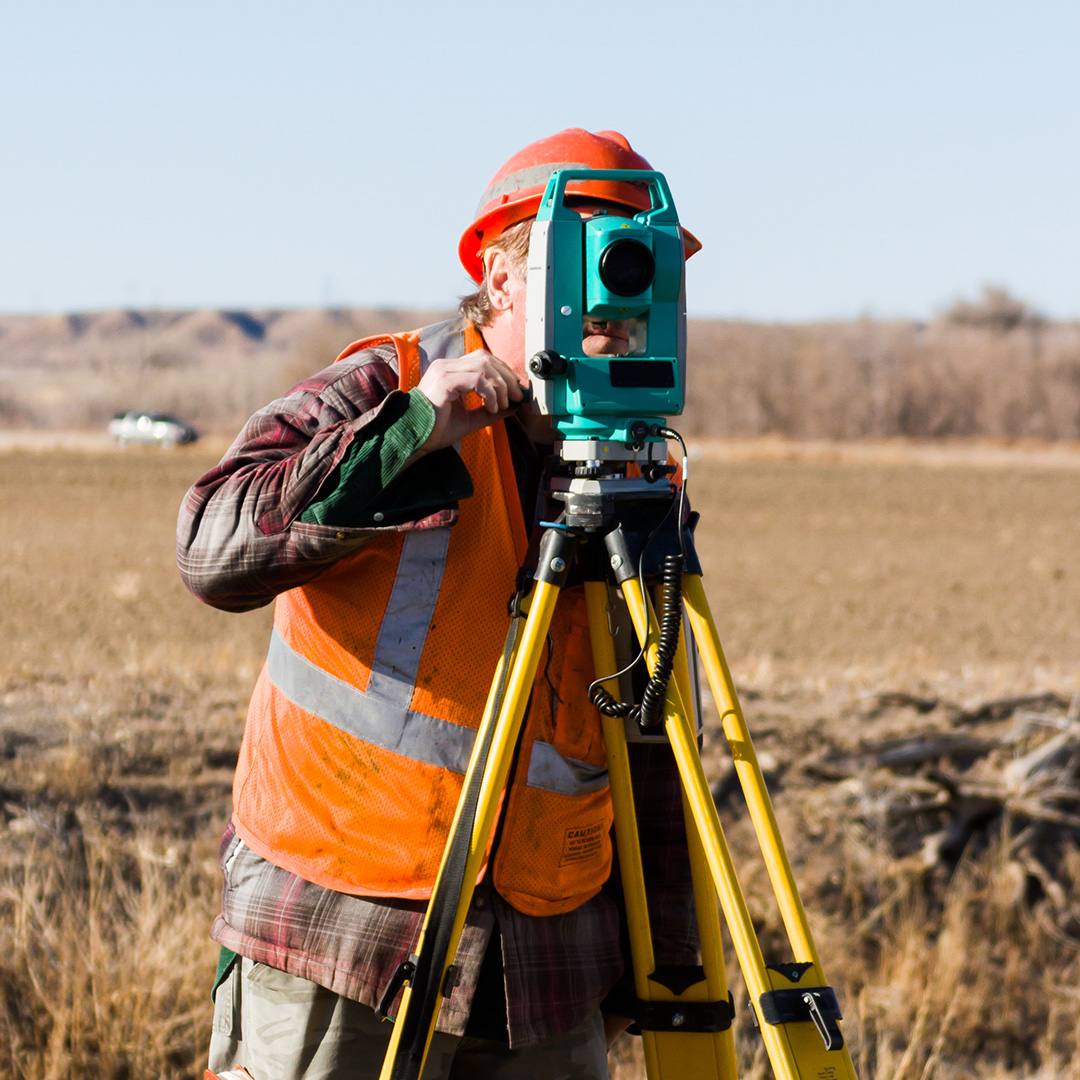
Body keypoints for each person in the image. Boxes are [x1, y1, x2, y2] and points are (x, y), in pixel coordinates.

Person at [178, 128, 702, 1080]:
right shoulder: (392, 386)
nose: (622, 299)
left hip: (547, 963)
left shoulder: (636, 460)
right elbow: (212, 547)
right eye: (596, 260)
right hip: (345, 929)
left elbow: (654, 727)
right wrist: (413, 432)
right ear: (500, 276)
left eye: (644, 266)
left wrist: (665, 961)